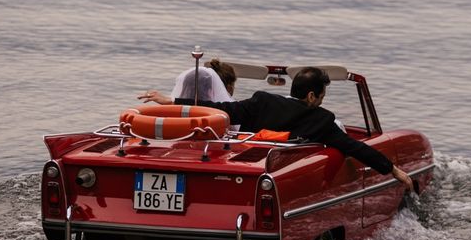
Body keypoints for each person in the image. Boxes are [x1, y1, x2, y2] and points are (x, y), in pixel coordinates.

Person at [139, 66, 413, 191]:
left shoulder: (261, 101)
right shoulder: (320, 119)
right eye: (321, 97)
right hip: (272, 174)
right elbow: (354, 147)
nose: (320, 102)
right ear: (311, 97)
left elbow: (221, 108)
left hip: (241, 166)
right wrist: (393, 170)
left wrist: (172, 101)